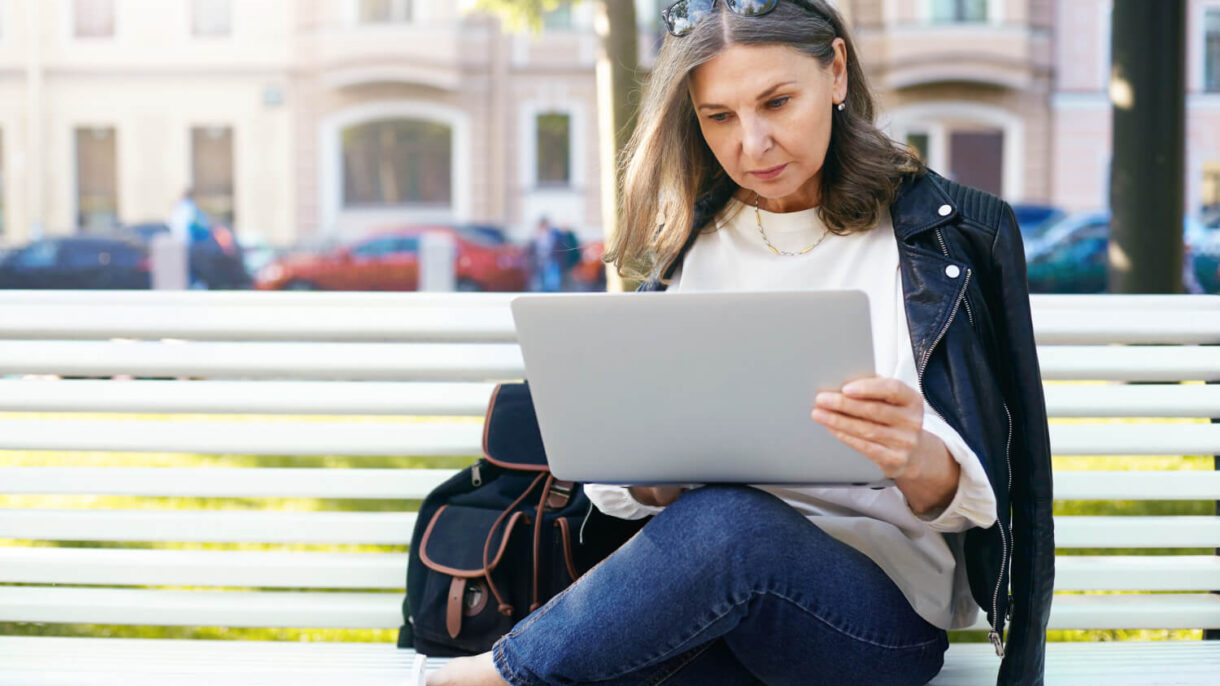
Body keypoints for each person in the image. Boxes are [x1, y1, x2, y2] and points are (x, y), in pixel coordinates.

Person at [430, 1, 1052, 685]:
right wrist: (649, 462)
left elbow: (994, 490)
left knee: (732, 527)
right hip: (707, 601)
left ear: (836, 72)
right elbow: (635, 499)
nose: (751, 145)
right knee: (714, 536)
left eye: (777, 102)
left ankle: (494, 678)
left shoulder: (947, 237)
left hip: (876, 621)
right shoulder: (693, 241)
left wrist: (918, 457)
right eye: (718, 116)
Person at [528, 216, 565, 292]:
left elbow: (560, 249)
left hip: (551, 263)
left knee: (552, 285)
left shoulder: (554, 236)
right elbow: (531, 251)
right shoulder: (535, 237)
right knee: (539, 285)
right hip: (538, 263)